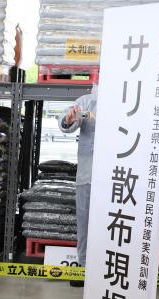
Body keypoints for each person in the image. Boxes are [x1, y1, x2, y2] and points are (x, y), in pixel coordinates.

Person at [59, 84, 97, 288]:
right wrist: (68, 119)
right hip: (88, 174)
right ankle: (83, 266)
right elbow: (67, 123)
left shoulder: (131, 101)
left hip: (120, 176)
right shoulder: (87, 100)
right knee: (85, 222)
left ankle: (109, 267)